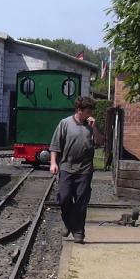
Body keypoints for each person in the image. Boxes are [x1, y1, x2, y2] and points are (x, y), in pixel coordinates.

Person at [49, 96, 104, 243]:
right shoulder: (65, 124)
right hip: (67, 167)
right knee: (64, 197)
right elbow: (55, 145)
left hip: (85, 170)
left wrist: (95, 129)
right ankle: (68, 223)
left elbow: (100, 142)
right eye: (88, 111)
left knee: (81, 201)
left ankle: (79, 231)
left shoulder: (91, 126)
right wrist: (53, 163)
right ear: (79, 110)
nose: (90, 114)